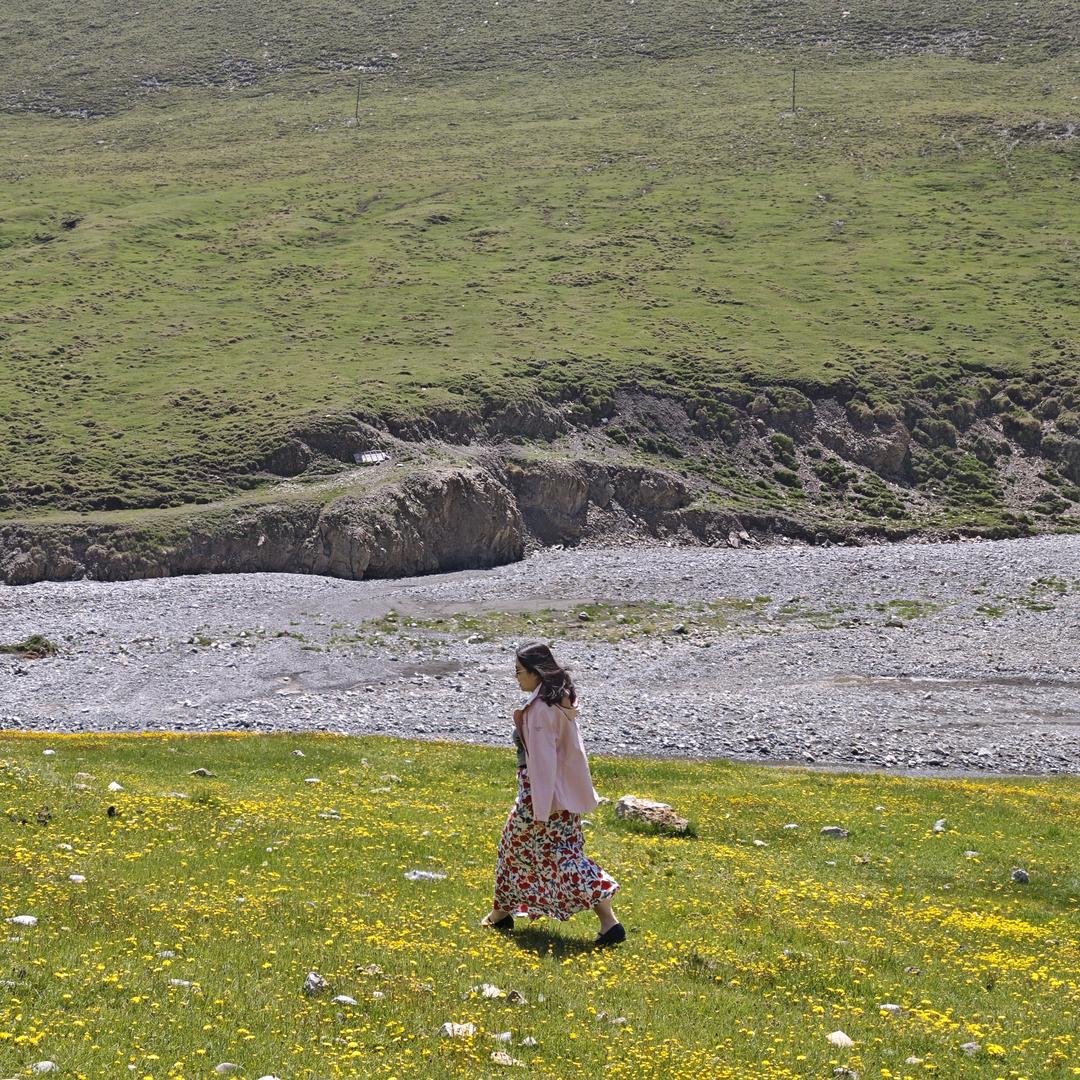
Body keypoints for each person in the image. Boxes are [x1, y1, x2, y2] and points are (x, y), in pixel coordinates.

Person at [480, 641, 624, 946]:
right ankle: (501, 914)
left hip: (540, 798)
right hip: (561, 797)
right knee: (545, 854)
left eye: (519, 671)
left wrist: (539, 810)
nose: (516, 677)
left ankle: (608, 918)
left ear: (535, 672)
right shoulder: (558, 701)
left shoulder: (541, 710)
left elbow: (543, 765)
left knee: (535, 855)